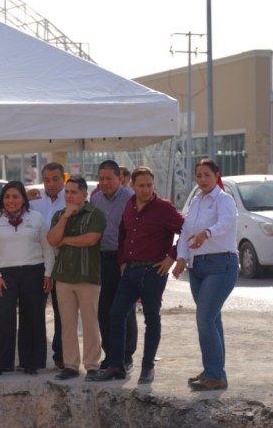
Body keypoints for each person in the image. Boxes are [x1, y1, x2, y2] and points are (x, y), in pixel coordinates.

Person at [88, 167, 184, 384]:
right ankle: (116, 365)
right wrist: (122, 260)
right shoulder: (130, 205)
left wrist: (172, 256)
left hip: (153, 271)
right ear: (132, 186)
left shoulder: (163, 207)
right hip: (130, 271)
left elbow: (185, 229)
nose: (146, 189)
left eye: (149, 185)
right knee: (116, 315)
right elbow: (123, 233)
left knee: (152, 319)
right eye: (141, 185)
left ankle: (148, 367)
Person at [173, 158, 238, 391]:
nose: (202, 180)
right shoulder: (196, 201)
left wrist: (207, 234)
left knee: (204, 318)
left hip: (221, 264)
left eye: (207, 175)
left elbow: (226, 223)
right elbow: (185, 232)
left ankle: (215, 374)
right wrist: (181, 258)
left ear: (216, 175)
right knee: (211, 319)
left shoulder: (224, 199)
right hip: (197, 267)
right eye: (199, 176)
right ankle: (213, 371)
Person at [0, 181, 55, 377]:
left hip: (34, 271)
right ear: (2, 199)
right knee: (4, 318)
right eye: (7, 197)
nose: (11, 201)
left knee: (32, 317)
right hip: (5, 275)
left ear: (23, 198)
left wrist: (48, 273)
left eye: (15, 196)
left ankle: (31, 362)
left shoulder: (36, 218)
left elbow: (47, 248)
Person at [47, 177, 106, 381]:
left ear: (84, 194)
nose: (69, 196)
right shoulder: (59, 215)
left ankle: (92, 365)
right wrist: (65, 218)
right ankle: (71, 365)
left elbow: (91, 239)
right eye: (67, 192)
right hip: (63, 276)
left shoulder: (95, 214)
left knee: (90, 322)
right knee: (67, 323)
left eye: (74, 192)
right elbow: (52, 240)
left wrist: (66, 240)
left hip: (87, 275)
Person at [89, 160, 137, 374]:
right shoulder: (95, 198)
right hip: (101, 259)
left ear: (120, 178)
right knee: (104, 310)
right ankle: (110, 355)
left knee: (125, 309)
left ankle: (126, 355)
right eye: (101, 178)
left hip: (124, 260)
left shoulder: (130, 198)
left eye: (109, 178)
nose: (105, 182)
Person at [28, 162, 67, 369]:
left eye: (55, 179)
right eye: (47, 180)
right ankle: (35, 358)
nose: (51, 184)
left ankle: (60, 355)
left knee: (63, 312)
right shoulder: (34, 201)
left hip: (63, 264)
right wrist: (24, 198)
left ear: (64, 178)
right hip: (38, 264)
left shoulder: (70, 199)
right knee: (35, 311)